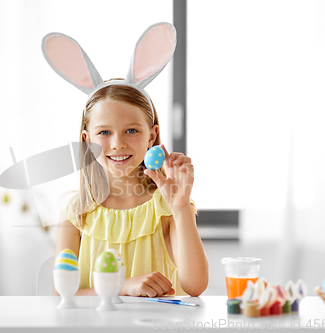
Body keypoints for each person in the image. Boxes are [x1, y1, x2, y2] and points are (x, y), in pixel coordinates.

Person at [43, 22, 208, 297]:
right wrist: (120, 286)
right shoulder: (76, 211)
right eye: (104, 132)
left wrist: (180, 208)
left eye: (131, 130)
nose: (117, 143)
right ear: (87, 140)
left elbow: (195, 285)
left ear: (152, 136)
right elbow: (61, 293)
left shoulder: (167, 206)